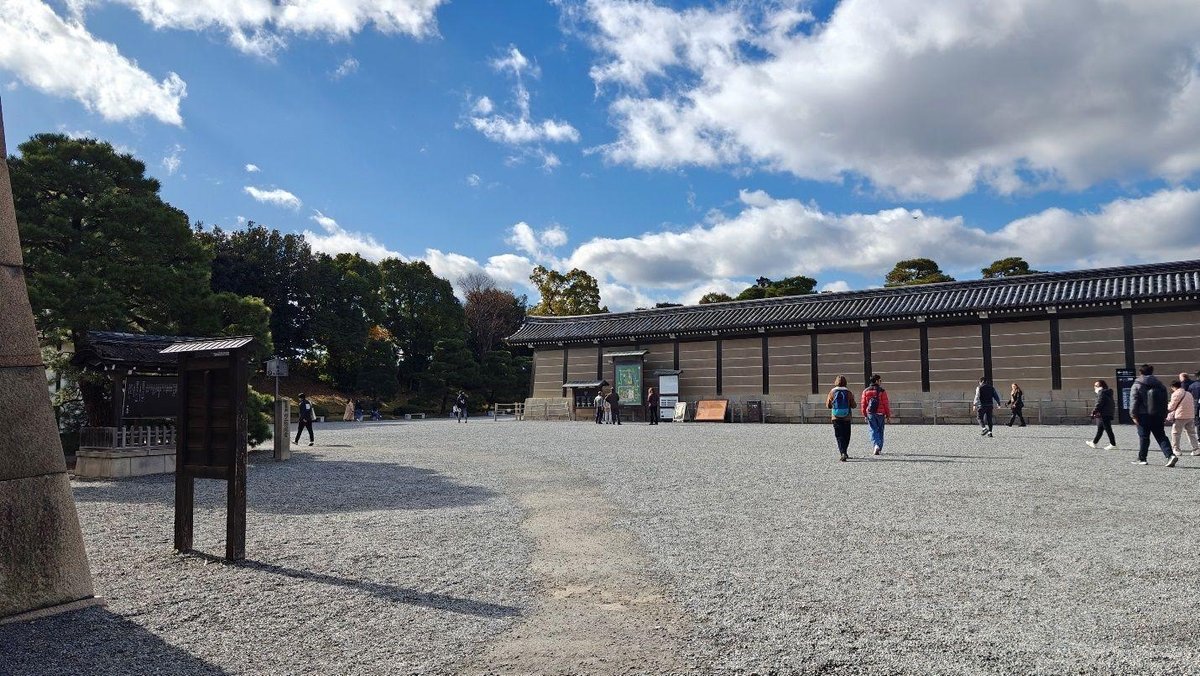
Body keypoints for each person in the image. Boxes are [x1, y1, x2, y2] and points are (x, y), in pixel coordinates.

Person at [1128, 364, 1175, 466]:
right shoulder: (1160, 385)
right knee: (1161, 436)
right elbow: (1164, 401)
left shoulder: (1137, 384)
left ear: (1140, 372)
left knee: (1144, 437)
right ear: (1152, 372)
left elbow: (1133, 401)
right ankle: (1170, 455)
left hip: (1143, 414)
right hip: (1157, 414)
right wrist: (1164, 414)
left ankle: (1142, 458)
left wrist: (1133, 415)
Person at [859, 374, 891, 455]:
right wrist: (888, 415)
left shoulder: (866, 391)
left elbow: (863, 404)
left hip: (871, 413)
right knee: (880, 430)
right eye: (880, 380)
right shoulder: (882, 391)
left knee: (873, 429)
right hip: (880, 413)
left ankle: (875, 445)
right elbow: (885, 404)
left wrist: (864, 414)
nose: (881, 382)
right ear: (876, 381)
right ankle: (879, 447)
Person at [826, 375, 856, 462]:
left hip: (836, 417)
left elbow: (828, 405)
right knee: (847, 435)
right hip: (846, 417)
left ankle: (842, 452)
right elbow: (854, 405)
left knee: (839, 436)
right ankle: (845, 452)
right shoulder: (848, 392)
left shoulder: (832, 392)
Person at [1167, 380, 1198, 456]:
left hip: (1180, 416)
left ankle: (1176, 449)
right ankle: (1196, 449)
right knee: (1191, 433)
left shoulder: (1176, 394)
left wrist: (1167, 406)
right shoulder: (1188, 393)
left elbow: (1171, 407)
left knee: (1176, 433)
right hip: (1190, 416)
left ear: (1173, 387)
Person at [1086, 380, 1118, 450]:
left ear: (1100, 386)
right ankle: (1094, 443)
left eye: (1096, 386)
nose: (1094, 387)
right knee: (1100, 429)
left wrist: (1093, 412)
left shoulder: (1101, 393)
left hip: (1103, 414)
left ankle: (1113, 444)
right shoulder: (1107, 392)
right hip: (1107, 413)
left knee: (1108, 429)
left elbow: (1099, 403)